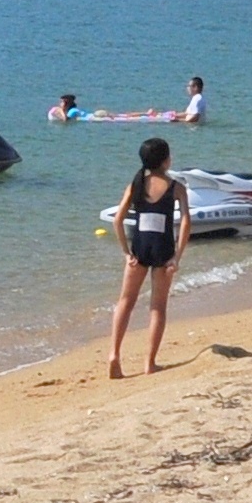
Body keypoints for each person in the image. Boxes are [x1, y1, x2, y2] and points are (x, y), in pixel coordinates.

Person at [108, 136, 190, 377]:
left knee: (125, 301)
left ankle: (114, 354)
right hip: (163, 248)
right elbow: (186, 221)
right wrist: (177, 256)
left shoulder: (135, 184)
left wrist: (125, 252)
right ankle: (149, 363)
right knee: (158, 307)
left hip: (139, 247)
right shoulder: (176, 187)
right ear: (166, 160)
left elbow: (117, 220)